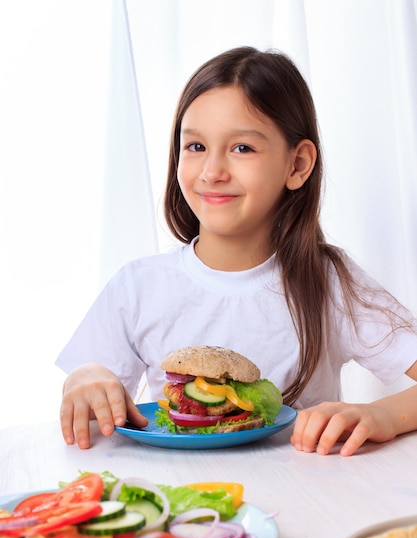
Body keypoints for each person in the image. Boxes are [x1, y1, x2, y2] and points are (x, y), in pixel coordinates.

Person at [56, 46, 417, 455]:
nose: (212, 172)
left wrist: (382, 415)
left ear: (297, 165)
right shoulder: (139, 285)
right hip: (182, 500)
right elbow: (90, 409)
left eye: (242, 148)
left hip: (307, 495)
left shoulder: (328, 280)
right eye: (195, 147)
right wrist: (83, 378)